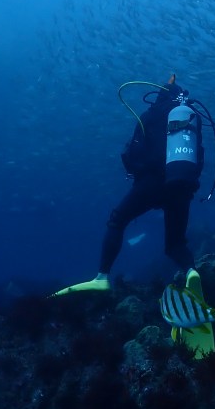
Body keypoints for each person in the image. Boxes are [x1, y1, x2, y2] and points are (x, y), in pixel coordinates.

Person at [52, 75, 205, 296]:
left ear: (158, 96)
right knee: (175, 244)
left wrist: (137, 174)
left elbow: (134, 153)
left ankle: (102, 277)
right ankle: (191, 272)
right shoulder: (192, 117)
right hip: (182, 186)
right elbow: (198, 156)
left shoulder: (150, 115)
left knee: (117, 220)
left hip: (152, 182)